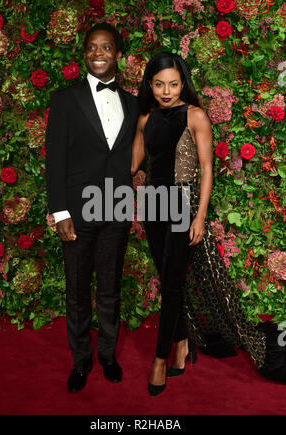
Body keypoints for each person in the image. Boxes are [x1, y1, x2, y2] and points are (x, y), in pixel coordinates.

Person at [131, 52, 286, 396]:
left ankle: (160, 358)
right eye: (159, 84)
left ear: (182, 82)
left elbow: (206, 167)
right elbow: (132, 165)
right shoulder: (145, 119)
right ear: (150, 85)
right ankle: (183, 343)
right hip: (153, 205)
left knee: (172, 284)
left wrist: (199, 215)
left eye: (173, 83)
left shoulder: (195, 115)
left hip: (182, 203)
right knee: (167, 277)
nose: (166, 91)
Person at [45, 22, 139, 393]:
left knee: (110, 290)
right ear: (85, 53)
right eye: (91, 48)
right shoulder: (65, 99)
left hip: (116, 209)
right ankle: (81, 361)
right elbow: (55, 161)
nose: (98, 54)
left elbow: (138, 154)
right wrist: (61, 212)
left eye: (106, 48)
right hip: (78, 213)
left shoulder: (133, 103)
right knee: (78, 290)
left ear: (118, 55)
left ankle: (108, 355)